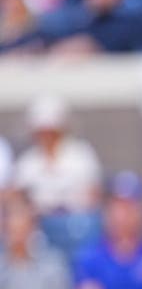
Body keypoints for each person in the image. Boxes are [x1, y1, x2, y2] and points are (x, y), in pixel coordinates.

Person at [13, 95, 103, 258]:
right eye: (42, 131)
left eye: (51, 131)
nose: (47, 136)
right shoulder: (28, 162)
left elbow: (93, 196)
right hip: (41, 227)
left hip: (76, 225)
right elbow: (19, 200)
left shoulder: (81, 155)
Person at [0, 192, 73, 289]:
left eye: (21, 217)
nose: (15, 225)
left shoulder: (53, 262)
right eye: (11, 218)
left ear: (33, 225)